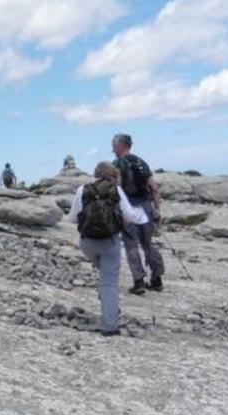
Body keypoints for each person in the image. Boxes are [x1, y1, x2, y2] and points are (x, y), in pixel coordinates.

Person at [67, 161, 149, 336]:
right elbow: (130, 215)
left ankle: (107, 301)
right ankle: (110, 325)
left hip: (87, 243)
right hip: (109, 242)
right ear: (111, 175)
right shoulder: (116, 190)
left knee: (104, 275)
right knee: (109, 282)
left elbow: (72, 219)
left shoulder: (83, 190)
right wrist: (140, 213)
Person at [111, 133, 164, 295]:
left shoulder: (117, 163)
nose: (112, 147)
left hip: (129, 208)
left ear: (121, 145)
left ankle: (139, 281)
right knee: (148, 243)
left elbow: (116, 188)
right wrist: (156, 210)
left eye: (114, 144)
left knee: (131, 245)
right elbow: (154, 187)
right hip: (145, 206)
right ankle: (157, 279)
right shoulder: (141, 161)